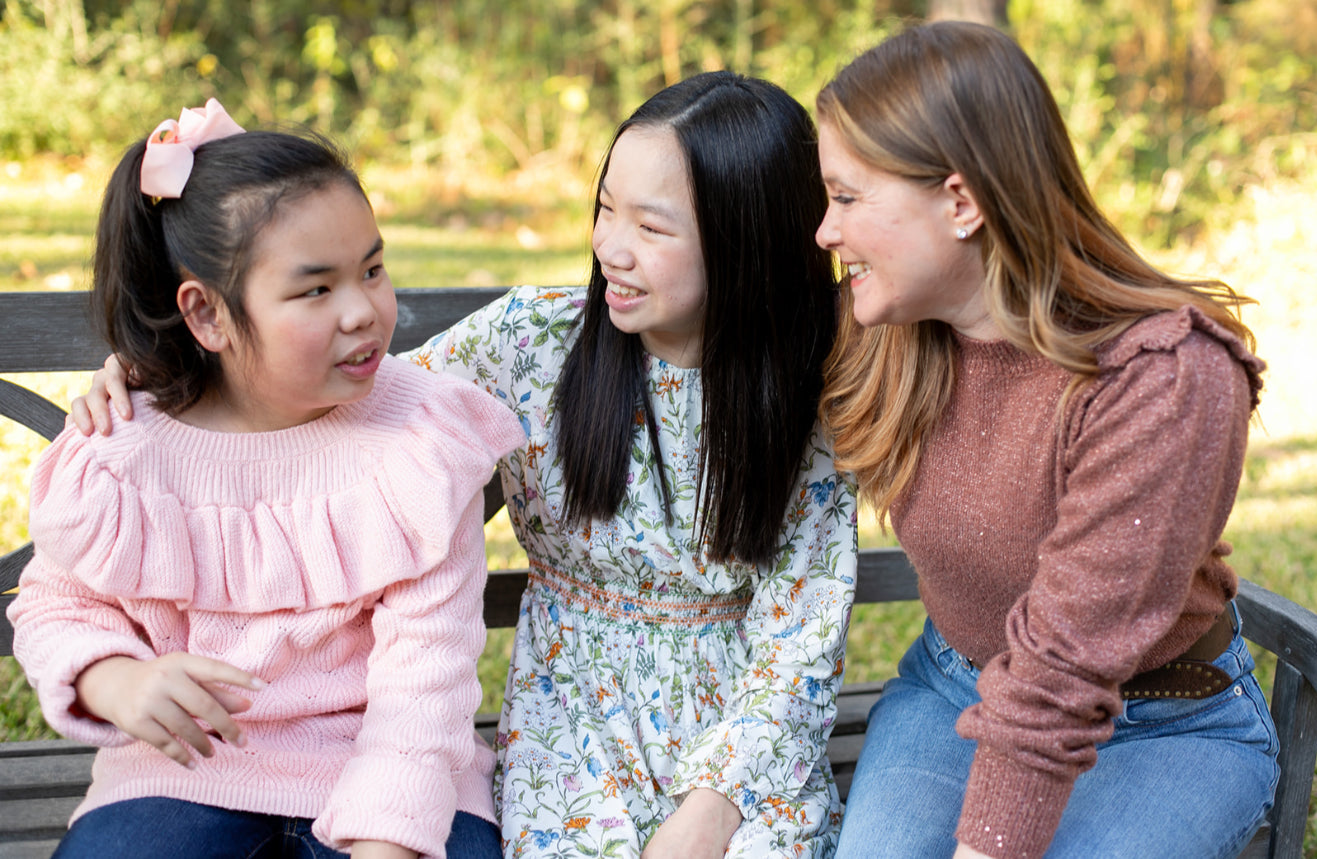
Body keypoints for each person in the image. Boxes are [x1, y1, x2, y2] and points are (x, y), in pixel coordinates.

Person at [68, 74, 858, 859]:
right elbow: (342, 392)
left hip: (745, 731)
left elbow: (800, 640)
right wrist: (159, 368)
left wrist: (713, 807)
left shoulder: (808, 394)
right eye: (605, 209)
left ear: (747, 238)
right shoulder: (531, 344)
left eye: (651, 228)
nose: (611, 246)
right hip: (575, 720)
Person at [10, 100, 525, 859]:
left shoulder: (416, 445)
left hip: (390, 769)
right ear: (208, 316)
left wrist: (388, 840)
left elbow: (428, 683)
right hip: (186, 772)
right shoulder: (127, 451)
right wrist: (112, 678)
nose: (364, 311)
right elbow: (57, 605)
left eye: (373, 269)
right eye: (316, 289)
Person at [813, 21, 1278, 859]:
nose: (825, 231)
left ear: (961, 202)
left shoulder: (1163, 378)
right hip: (954, 688)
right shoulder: (891, 326)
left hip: (1164, 724)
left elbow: (1062, 667)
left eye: (846, 198)